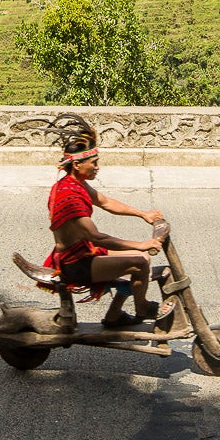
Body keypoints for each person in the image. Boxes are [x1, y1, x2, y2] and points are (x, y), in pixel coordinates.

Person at [40, 114, 165, 327]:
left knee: (142, 257)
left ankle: (114, 315)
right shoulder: (69, 196)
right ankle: (142, 308)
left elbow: (106, 202)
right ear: (77, 164)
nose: (98, 167)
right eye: (94, 163)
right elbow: (96, 237)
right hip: (76, 265)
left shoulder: (75, 183)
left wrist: (143, 214)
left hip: (84, 253)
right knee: (140, 261)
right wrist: (142, 244)